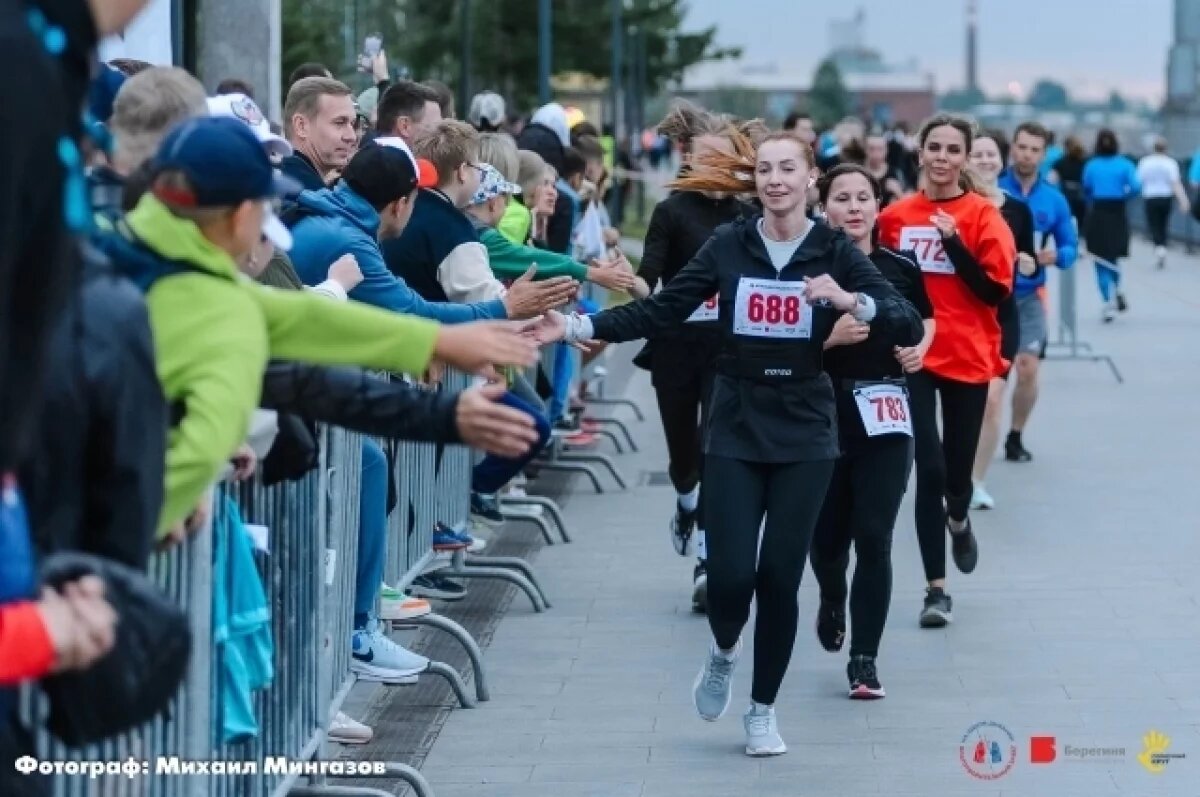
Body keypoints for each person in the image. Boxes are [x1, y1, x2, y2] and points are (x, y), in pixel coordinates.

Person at [528, 131, 924, 756]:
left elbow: (902, 314)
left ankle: (762, 711)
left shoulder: (832, 249)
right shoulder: (728, 243)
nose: (774, 179)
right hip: (736, 419)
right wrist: (578, 323)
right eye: (765, 169)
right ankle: (723, 649)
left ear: (808, 180)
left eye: (787, 168)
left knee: (779, 577)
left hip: (805, 429)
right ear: (756, 181)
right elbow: (662, 311)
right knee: (731, 577)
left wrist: (853, 301)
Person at [94, 116, 538, 536]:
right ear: (238, 216)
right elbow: (208, 444)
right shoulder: (213, 303)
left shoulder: (127, 249)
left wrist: (436, 343)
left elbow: (303, 317)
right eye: (264, 207)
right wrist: (156, 514)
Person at [877, 113, 1016, 627]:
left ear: (964, 158)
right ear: (920, 153)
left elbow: (993, 292)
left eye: (952, 150)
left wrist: (954, 242)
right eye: (933, 147)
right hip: (914, 354)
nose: (941, 157)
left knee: (956, 475)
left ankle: (958, 518)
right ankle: (936, 590)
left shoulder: (982, 216)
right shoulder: (895, 217)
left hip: (968, 354)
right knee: (927, 469)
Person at [809, 164, 935, 700]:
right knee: (827, 540)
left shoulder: (898, 266)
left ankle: (865, 659)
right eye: (843, 198)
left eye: (864, 197)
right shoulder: (807, 269)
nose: (854, 207)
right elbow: (778, 345)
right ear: (824, 208)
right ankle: (832, 594)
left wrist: (918, 352)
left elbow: (921, 320)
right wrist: (827, 342)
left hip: (885, 409)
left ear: (878, 207)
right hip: (821, 413)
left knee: (876, 536)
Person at [623, 101, 751, 612]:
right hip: (676, 347)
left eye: (724, 160)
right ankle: (684, 501)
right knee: (684, 460)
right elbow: (649, 276)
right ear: (691, 161)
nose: (715, 170)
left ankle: (707, 559)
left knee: (715, 452)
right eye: (705, 160)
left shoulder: (748, 213)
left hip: (729, 350)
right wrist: (629, 283)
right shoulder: (672, 211)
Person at [997, 122, 1078, 467]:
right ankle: (975, 436)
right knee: (988, 380)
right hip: (991, 298)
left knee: (1027, 369)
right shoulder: (994, 191)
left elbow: (1071, 245)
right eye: (1022, 146)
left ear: (1044, 155)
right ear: (1012, 148)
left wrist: (1056, 256)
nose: (1027, 154)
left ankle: (1015, 435)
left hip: (1029, 297)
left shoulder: (1054, 200)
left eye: (1034, 149)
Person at [967, 131, 1035, 511]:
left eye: (991, 154)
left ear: (1002, 159)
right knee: (960, 403)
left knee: (993, 398)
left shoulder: (1018, 211)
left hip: (1001, 313)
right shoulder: (954, 207)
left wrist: (1026, 262)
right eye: (977, 154)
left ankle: (976, 480)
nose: (985, 160)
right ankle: (953, 471)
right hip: (960, 314)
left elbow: (1023, 257)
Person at [1082, 129, 1140, 322]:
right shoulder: (1125, 165)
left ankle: (1107, 301)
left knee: (1099, 259)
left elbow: (1086, 187)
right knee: (1113, 257)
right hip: (1117, 211)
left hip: (1098, 211)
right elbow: (1136, 187)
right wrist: (1123, 195)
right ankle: (1117, 289)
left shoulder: (1091, 165)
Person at [281, 77, 359, 191]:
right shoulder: (300, 200)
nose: (352, 137)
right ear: (301, 126)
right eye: (339, 122)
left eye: (352, 124)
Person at [1136, 137, 1190, 270]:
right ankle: (1162, 246)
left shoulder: (1145, 162)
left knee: (1153, 223)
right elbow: (1175, 183)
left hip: (1151, 197)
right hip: (1165, 197)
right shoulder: (1170, 163)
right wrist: (1183, 200)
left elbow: (1138, 180)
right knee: (1163, 223)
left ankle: (1158, 247)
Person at [375, 80, 443, 146]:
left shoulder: (369, 151)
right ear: (404, 126)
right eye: (436, 129)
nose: (443, 136)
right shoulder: (392, 156)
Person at [1050, 135, 1088, 231]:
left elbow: (1051, 180)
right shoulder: (1085, 162)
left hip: (1066, 195)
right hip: (1081, 196)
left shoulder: (1060, 162)